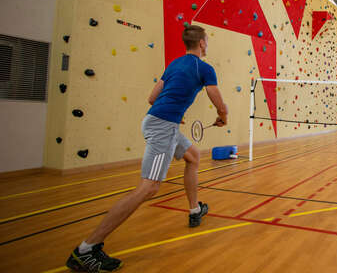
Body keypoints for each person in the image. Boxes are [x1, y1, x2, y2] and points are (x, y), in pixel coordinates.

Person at [65, 25, 229, 272]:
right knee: (148, 188)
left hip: (162, 121)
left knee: (193, 157)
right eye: (207, 40)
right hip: (162, 126)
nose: (208, 43)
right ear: (202, 44)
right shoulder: (203, 68)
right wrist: (223, 114)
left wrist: (173, 112)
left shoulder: (174, 64)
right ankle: (86, 249)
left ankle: (195, 210)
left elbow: (152, 98)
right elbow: (214, 94)